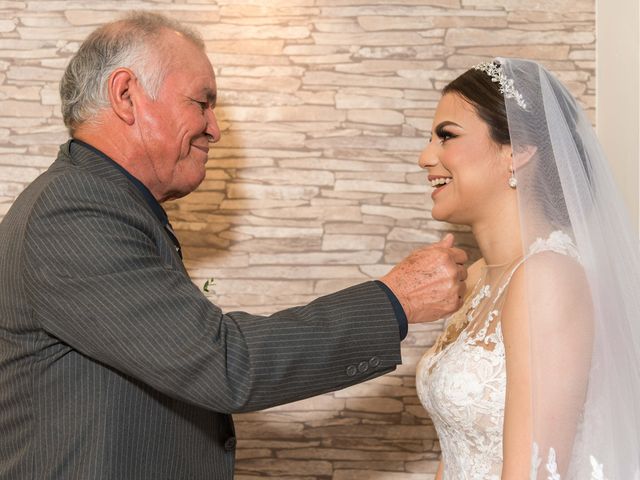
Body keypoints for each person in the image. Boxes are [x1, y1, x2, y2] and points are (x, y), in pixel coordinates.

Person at [0, 11, 468, 480]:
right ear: (126, 96)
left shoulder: (101, 201)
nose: (214, 128)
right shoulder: (75, 209)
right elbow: (225, 364)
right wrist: (394, 301)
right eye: (201, 103)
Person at [415, 58, 640, 479]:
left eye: (446, 136)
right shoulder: (480, 276)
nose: (426, 157)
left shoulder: (547, 278)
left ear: (517, 152)